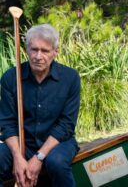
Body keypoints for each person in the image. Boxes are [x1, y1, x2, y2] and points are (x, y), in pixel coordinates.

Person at [0, 24, 80, 187]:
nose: (38, 56)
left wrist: (38, 157)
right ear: (26, 50)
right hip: (23, 143)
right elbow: (7, 123)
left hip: (58, 142)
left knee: (56, 162)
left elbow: (66, 125)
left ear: (55, 52)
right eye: (34, 49)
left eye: (45, 51)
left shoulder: (70, 78)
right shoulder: (11, 78)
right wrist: (17, 156)